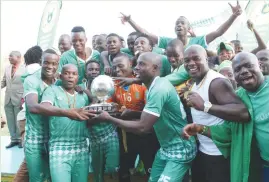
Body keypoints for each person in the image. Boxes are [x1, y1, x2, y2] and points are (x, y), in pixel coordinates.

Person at [89, 52, 197, 182]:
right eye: (137, 63)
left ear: (155, 68)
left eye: (142, 64)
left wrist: (109, 119)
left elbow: (143, 127)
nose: (136, 67)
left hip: (180, 148)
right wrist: (135, 83)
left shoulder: (159, 89)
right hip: (166, 148)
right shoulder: (156, 83)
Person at [182, 52, 267, 182]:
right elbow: (228, 130)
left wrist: (205, 106)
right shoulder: (240, 96)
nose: (244, 71)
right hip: (261, 164)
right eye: (238, 69)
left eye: (248, 66)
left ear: (260, 66)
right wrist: (200, 128)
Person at [23, 49, 91, 182]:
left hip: (54, 137)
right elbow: (32, 107)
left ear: (58, 65)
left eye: (54, 64)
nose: (50, 66)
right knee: (36, 178)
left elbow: (68, 88)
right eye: (46, 63)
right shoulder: (32, 80)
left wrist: (80, 88)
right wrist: (68, 113)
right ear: (40, 62)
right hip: (36, 137)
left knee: (50, 177)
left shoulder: (58, 81)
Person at [109, 54, 160, 182]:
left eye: (120, 66)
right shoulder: (113, 84)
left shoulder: (142, 84)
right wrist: (113, 109)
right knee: (124, 168)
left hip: (145, 133)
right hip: (125, 133)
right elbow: (110, 103)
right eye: (114, 67)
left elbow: (151, 111)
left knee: (150, 166)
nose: (117, 70)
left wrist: (131, 113)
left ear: (131, 65)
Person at [120, 1, 242, 50]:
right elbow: (146, 33)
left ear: (189, 28)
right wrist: (130, 20)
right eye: (177, 24)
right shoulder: (168, 41)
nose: (179, 25)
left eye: (182, 23)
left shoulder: (198, 40)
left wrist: (234, 15)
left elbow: (218, 32)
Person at [40, 64, 90, 182]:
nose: (70, 77)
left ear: (78, 77)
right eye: (67, 73)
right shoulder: (52, 90)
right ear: (60, 76)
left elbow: (89, 116)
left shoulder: (83, 95)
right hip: (59, 147)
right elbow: (44, 107)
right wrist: (68, 112)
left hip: (81, 147)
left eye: (74, 74)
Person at [80, 60, 120, 182]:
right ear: (85, 72)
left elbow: (115, 108)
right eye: (90, 69)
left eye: (96, 69)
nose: (94, 72)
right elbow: (83, 113)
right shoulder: (80, 89)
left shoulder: (108, 86)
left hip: (109, 132)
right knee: (97, 171)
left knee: (112, 167)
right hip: (93, 135)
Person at [13, 45, 43, 182]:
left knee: (30, 159)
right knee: (30, 161)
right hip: (30, 120)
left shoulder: (27, 70)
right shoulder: (37, 70)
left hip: (23, 118)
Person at [1, 51, 25, 148]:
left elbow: (26, 84)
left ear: (18, 57)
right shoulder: (7, 68)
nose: (9, 57)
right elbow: (4, 81)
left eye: (11, 56)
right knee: (10, 121)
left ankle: (20, 140)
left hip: (19, 99)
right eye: (9, 55)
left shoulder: (25, 69)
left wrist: (23, 98)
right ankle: (13, 140)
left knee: (18, 120)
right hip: (8, 99)